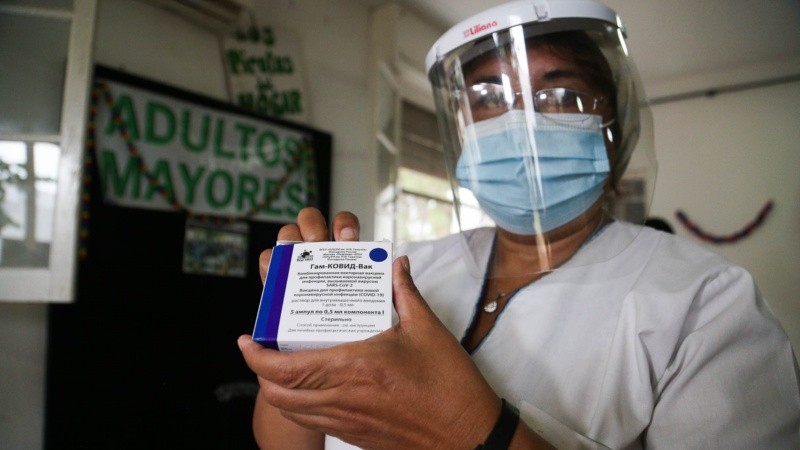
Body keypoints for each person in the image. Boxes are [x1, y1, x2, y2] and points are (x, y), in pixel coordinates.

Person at [238, 1, 800, 448]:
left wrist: (469, 432)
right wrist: (299, 342)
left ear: (610, 128)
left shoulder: (705, 304)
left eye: (560, 95)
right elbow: (289, 443)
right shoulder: (403, 265)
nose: (521, 124)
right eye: (487, 99)